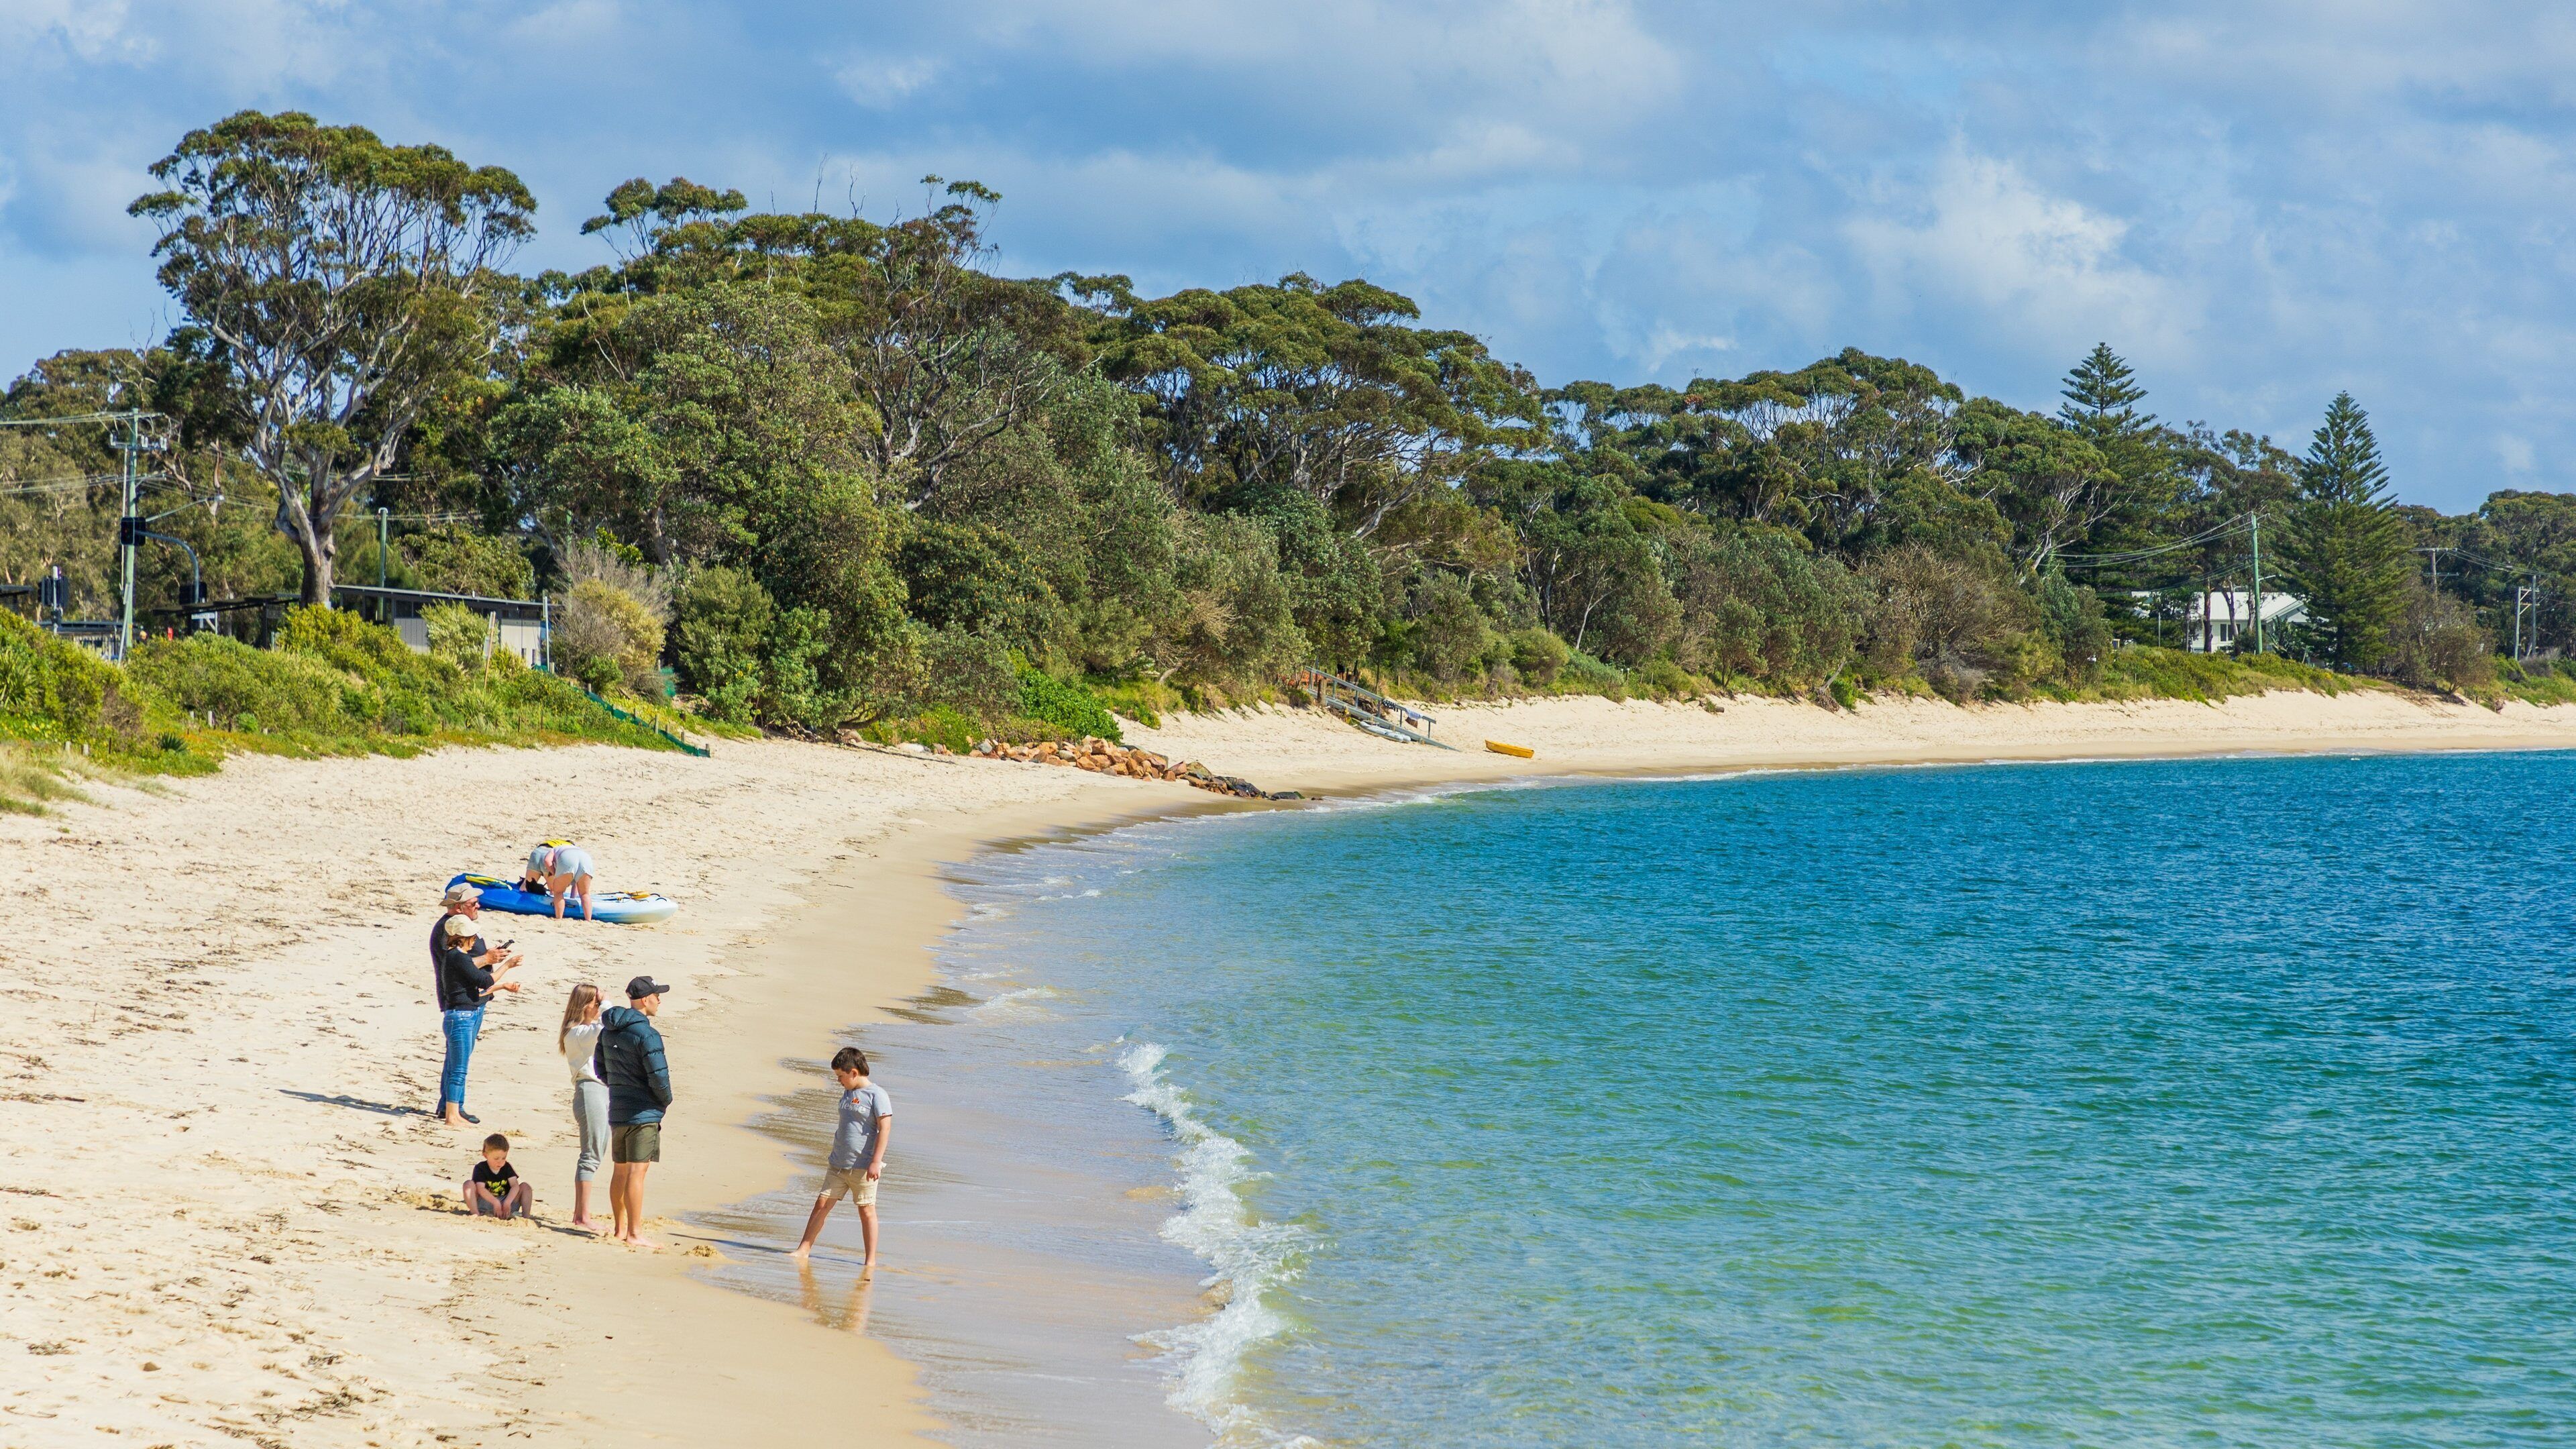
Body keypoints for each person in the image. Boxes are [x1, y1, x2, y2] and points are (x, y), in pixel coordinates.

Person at [789, 1046, 893, 1267]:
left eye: (841, 1076)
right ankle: (804, 1249)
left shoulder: (878, 1095)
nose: (839, 1081)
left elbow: (884, 1129)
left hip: (864, 1167)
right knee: (821, 1204)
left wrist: (876, 1161)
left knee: (866, 1211)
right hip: (838, 1163)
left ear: (854, 1072)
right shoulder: (847, 1093)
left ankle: (870, 1261)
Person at [597, 975, 673, 1248]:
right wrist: (664, 1101)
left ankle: (620, 1229)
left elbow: (600, 1069)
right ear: (644, 1000)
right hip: (643, 1112)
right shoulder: (647, 1034)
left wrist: (620, 1087)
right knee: (636, 1174)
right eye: (656, 995)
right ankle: (634, 1233)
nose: (659, 1000)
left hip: (619, 1108)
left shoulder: (609, 1030)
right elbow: (659, 1077)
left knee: (620, 1171)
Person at [436, 914, 521, 1127]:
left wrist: (503, 987)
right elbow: (485, 979)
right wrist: (508, 966)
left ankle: (452, 1113)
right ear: (462, 937)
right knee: (458, 1069)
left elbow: (473, 992)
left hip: (461, 1015)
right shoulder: (458, 957)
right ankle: (452, 1116)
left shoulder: (455, 957)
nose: (475, 939)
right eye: (471, 935)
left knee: (456, 1067)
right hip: (461, 1018)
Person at [559, 983, 609, 1232]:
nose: (600, 1008)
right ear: (585, 1006)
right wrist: (607, 1003)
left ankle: (581, 1214)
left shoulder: (581, 1031)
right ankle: (582, 1216)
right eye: (596, 1003)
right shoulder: (578, 1033)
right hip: (590, 1091)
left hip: (596, 1092)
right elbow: (606, 1028)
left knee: (595, 1151)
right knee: (591, 1154)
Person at [464, 1132, 533, 1219]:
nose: (500, 1162)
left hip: (506, 1203)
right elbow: (480, 1188)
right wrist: (495, 1202)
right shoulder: (481, 1168)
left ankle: (526, 1217)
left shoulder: (506, 1167)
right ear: (486, 1155)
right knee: (468, 1184)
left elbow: (515, 1186)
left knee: (525, 1187)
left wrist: (507, 1202)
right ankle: (475, 1214)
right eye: (496, 1158)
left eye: (503, 1158)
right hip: (486, 1202)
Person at [525, 841, 597, 921]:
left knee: (558, 892)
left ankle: (559, 918)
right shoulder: (577, 849)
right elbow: (576, 884)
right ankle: (588, 920)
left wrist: (555, 874)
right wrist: (572, 898)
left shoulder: (555, 849)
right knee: (585, 894)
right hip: (586, 859)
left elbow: (547, 861)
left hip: (567, 858)